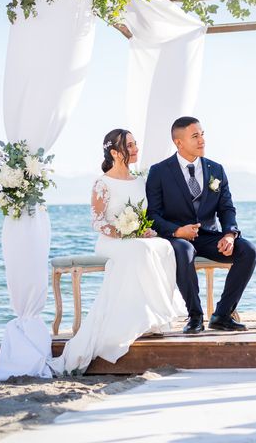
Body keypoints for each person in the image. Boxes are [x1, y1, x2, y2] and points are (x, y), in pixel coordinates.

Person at [48, 129, 186, 374]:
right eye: (129, 146)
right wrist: (125, 232)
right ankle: (135, 320)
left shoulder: (140, 181)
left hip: (135, 238)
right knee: (140, 251)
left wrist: (144, 230)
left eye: (135, 144)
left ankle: (153, 316)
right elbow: (97, 221)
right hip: (111, 240)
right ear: (114, 152)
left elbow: (148, 217)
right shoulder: (103, 183)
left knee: (164, 246)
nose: (135, 149)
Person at [146, 116, 256, 334]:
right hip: (176, 237)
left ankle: (222, 315)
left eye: (202, 134)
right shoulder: (159, 171)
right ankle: (195, 316)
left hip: (209, 236)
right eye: (195, 136)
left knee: (249, 251)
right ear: (179, 142)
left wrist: (229, 235)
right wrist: (177, 231)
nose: (202, 140)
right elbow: (152, 215)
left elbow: (226, 208)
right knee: (185, 249)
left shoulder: (216, 169)